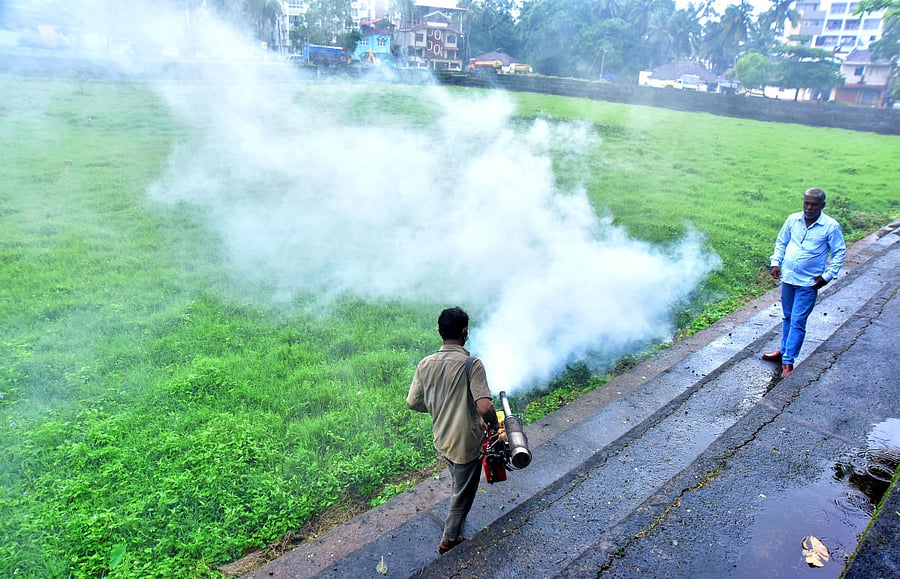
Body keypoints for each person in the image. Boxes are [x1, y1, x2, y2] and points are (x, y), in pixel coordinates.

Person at [407, 306, 500, 554]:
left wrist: (441, 407)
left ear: (440, 332)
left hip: (443, 439)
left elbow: (413, 402)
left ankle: (455, 523)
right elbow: (484, 406)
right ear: (464, 332)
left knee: (458, 479)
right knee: (463, 494)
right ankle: (449, 539)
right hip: (466, 442)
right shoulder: (472, 364)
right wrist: (494, 425)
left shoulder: (425, 364)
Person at [763, 188, 846, 378]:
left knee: (798, 321)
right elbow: (781, 242)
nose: (809, 208)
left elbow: (839, 251)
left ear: (822, 205)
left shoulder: (830, 226)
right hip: (788, 278)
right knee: (788, 317)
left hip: (809, 283)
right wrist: (776, 262)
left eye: (814, 204)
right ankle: (783, 351)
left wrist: (827, 276)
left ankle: (788, 361)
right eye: (806, 203)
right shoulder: (793, 219)